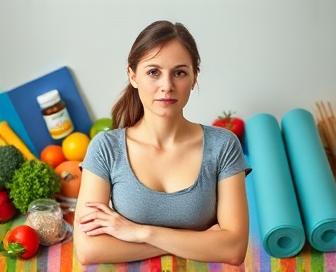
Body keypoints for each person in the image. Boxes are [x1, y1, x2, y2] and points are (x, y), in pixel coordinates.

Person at [74, 20, 251, 265]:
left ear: (194, 78)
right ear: (132, 76)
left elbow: (233, 249)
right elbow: (88, 249)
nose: (166, 86)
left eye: (179, 73)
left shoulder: (224, 146)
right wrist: (196, 241)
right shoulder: (105, 148)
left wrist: (141, 232)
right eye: (153, 72)